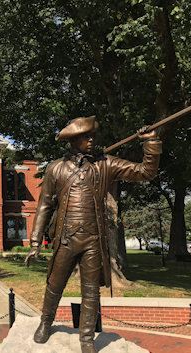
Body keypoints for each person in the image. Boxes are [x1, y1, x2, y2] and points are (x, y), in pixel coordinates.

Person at [24, 116, 162, 353]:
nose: (91, 140)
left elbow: (145, 172)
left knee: (90, 292)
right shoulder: (55, 168)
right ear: (72, 140)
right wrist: (35, 243)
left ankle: (86, 338)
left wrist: (150, 144)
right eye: (85, 137)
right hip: (65, 239)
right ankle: (46, 322)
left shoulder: (106, 164)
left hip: (93, 240)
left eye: (92, 137)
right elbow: (44, 206)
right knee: (54, 285)